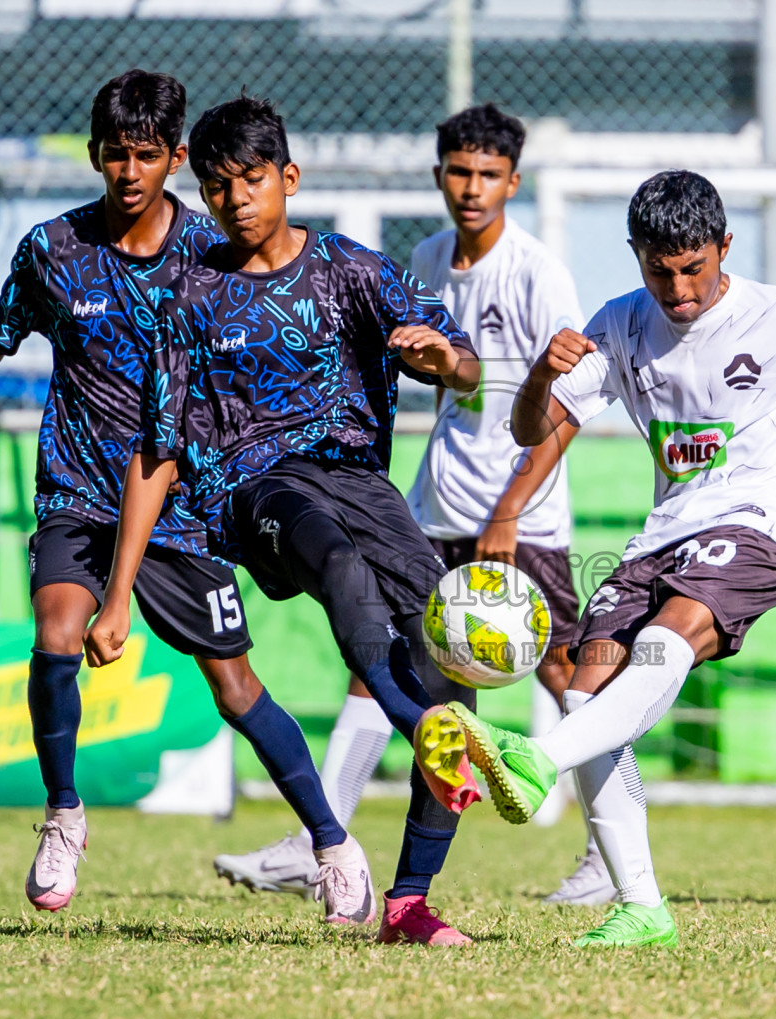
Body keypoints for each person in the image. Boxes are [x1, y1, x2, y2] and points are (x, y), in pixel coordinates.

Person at [414, 169, 776, 948]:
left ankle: (534, 762)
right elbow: (532, 431)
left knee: (669, 638)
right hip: (664, 530)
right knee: (587, 686)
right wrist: (539, 372)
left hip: (762, 519)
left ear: (724, 247)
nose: (679, 287)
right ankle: (641, 906)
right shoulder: (622, 323)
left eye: (694, 266)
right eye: (659, 269)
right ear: (636, 257)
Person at [0, 71, 372, 923]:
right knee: (57, 633)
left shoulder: (211, 257)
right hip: (76, 488)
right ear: (94, 155)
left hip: (177, 501)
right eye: (113, 155)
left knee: (236, 687)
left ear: (176, 157)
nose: (128, 172)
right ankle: (63, 815)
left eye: (145, 156)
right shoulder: (52, 249)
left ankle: (331, 842)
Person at [85, 95, 486, 947]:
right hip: (259, 492)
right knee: (338, 565)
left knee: (443, 657)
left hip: (362, 486)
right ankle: (423, 730)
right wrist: (118, 589)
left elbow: (468, 365)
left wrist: (443, 358)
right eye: (217, 186)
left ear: (290, 178)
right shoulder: (190, 296)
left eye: (253, 180)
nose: (235, 200)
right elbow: (158, 448)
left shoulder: (354, 270)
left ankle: (409, 903)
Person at [211, 103, 616, 906]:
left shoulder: (537, 271)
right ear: (438, 177)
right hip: (434, 505)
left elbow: (566, 404)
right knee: (388, 668)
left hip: (518, 515)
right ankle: (314, 840)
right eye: (459, 172)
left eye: (489, 175)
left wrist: (508, 511)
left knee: (566, 673)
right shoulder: (424, 259)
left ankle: (609, 849)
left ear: (513, 182)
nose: (472, 189)